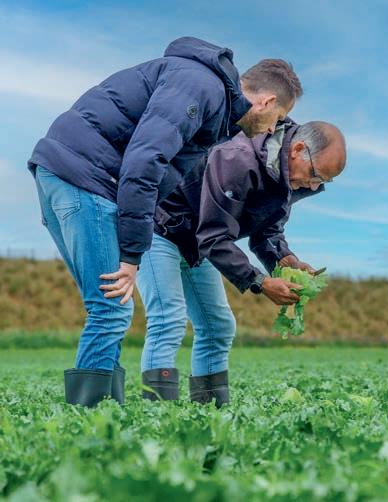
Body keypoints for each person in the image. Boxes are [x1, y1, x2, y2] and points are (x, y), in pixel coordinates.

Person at [28, 37, 303, 407]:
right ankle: (88, 421)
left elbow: (154, 173)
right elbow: (145, 163)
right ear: (266, 101)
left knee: (107, 307)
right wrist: (131, 255)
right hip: (83, 177)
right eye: (278, 119)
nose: (273, 130)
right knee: (111, 308)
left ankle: (103, 414)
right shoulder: (201, 87)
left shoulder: (213, 106)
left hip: (66, 173)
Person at [137, 120, 346, 407]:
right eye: (314, 175)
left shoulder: (288, 177)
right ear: (298, 149)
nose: (313, 185)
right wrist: (259, 281)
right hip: (161, 227)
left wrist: (286, 260)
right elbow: (214, 235)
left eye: (323, 182)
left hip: (197, 243)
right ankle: (155, 413)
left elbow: (267, 232)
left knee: (218, 326)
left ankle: (209, 412)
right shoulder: (237, 158)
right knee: (168, 320)